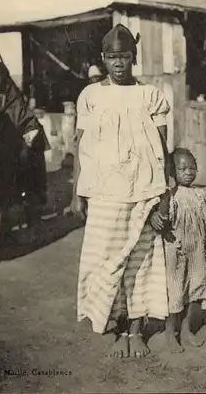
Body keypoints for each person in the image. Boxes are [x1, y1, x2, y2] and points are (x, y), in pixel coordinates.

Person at [72, 24, 171, 359]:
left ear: (134, 57)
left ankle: (135, 330)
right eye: (112, 57)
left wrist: (164, 198)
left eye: (125, 57)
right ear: (103, 58)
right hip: (104, 194)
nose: (118, 63)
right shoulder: (91, 96)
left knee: (141, 261)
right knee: (105, 261)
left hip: (144, 192)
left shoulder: (150, 96)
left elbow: (162, 148)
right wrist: (76, 194)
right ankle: (111, 321)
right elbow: (80, 146)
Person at [0, 59, 49, 268]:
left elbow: (27, 122)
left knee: (6, 198)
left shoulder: (13, 96)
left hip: (10, 155)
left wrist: (30, 137)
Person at [164, 148, 206, 352]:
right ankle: (169, 333)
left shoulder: (201, 195)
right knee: (175, 292)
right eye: (182, 168)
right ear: (172, 172)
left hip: (198, 252)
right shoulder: (170, 197)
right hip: (178, 251)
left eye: (192, 167)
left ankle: (186, 329)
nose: (188, 172)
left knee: (196, 290)